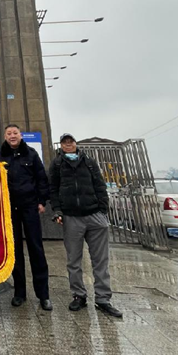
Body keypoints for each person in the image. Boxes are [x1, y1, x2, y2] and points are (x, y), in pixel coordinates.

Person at [50, 133, 122, 318]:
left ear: (75, 144)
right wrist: (58, 211)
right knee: (73, 260)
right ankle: (79, 295)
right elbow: (53, 189)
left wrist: (103, 210)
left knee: (100, 260)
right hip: (71, 217)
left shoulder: (89, 162)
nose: (68, 145)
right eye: (65, 143)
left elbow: (100, 185)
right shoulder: (57, 164)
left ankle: (103, 298)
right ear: (61, 146)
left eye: (71, 142)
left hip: (94, 215)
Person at [0, 124, 52, 311]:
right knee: (15, 250)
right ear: (5, 136)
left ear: (20, 135)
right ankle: (19, 293)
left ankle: (43, 295)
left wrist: (42, 201)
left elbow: (41, 179)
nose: (12, 136)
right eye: (9, 133)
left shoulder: (31, 154)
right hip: (9, 209)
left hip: (30, 206)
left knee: (36, 249)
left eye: (15, 133)